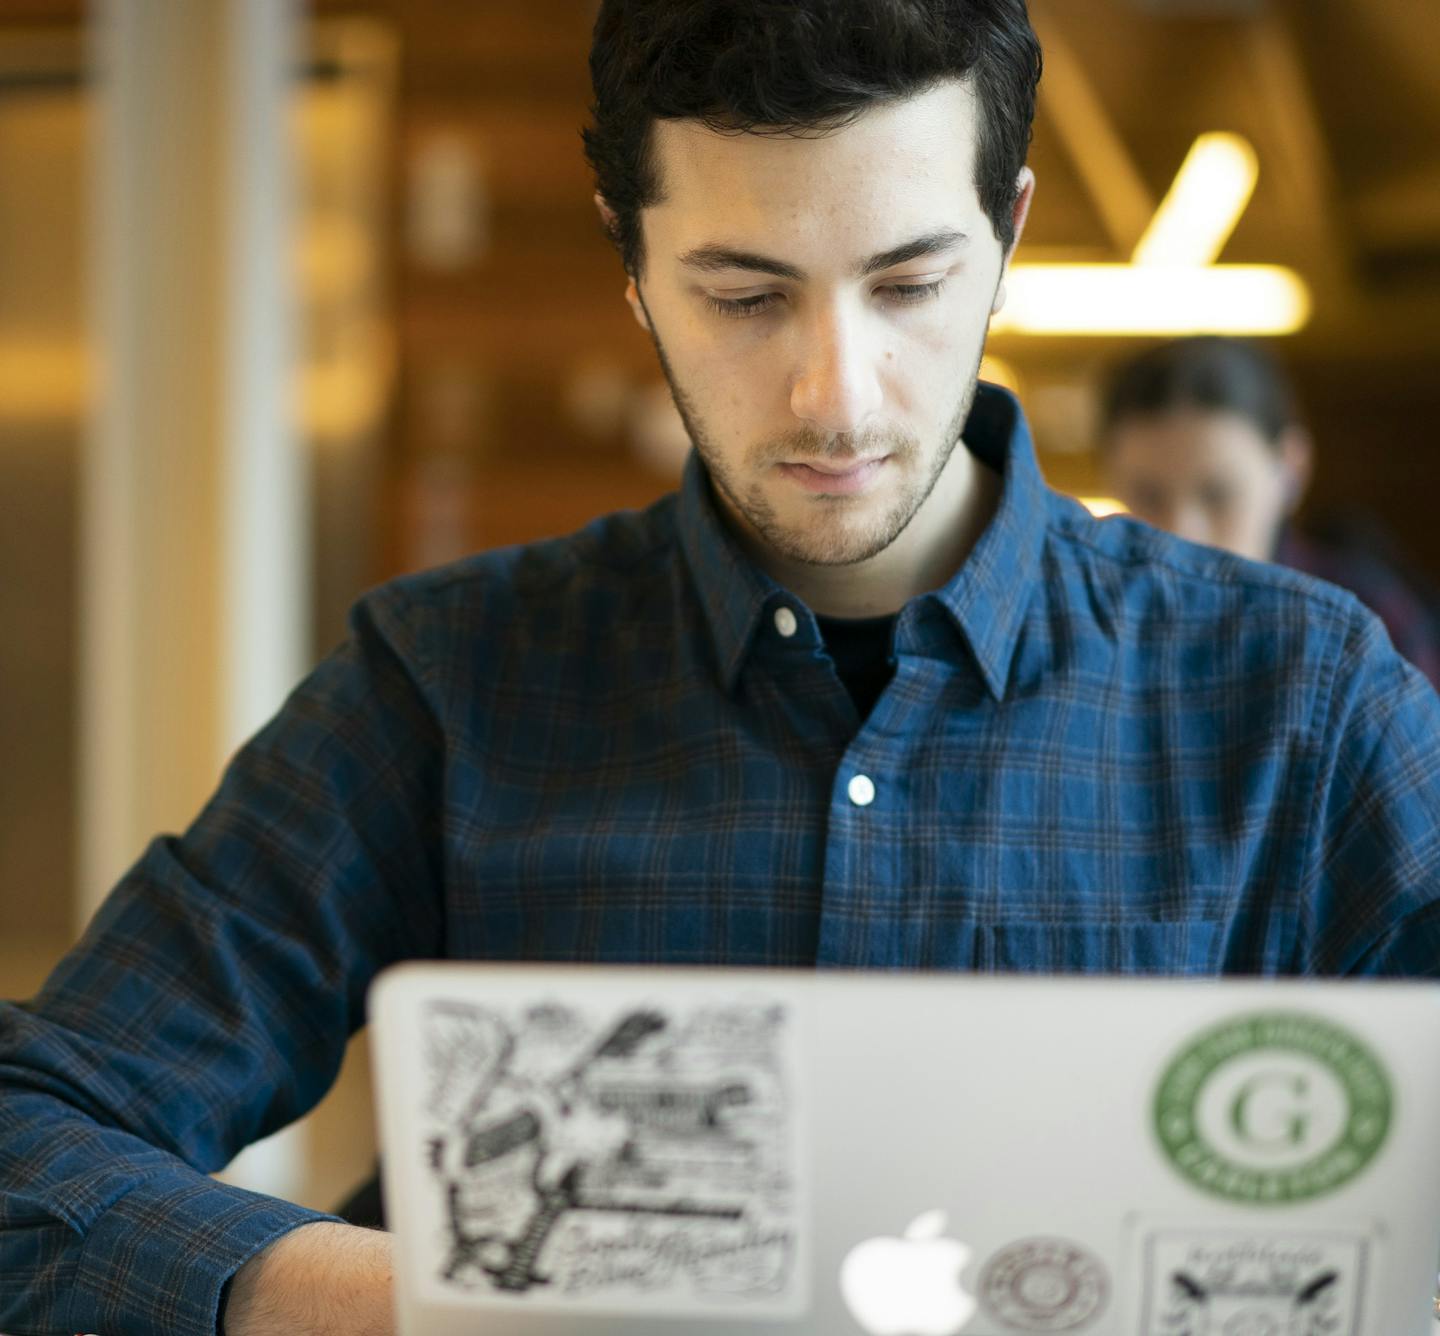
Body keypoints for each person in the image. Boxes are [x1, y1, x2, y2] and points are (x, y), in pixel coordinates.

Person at [4, 3, 1440, 1334]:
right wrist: (431, 1310)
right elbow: (29, 1133)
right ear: (629, 262)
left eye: (910, 282)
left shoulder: (1301, 701)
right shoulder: (447, 683)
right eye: (747, 298)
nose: (836, 394)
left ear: (1008, 230)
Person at [1099, 335, 1440, 688]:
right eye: (1148, 495)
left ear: (1291, 469)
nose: (1181, 532)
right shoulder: (1088, 630)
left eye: (1218, 495)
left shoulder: (1370, 631)